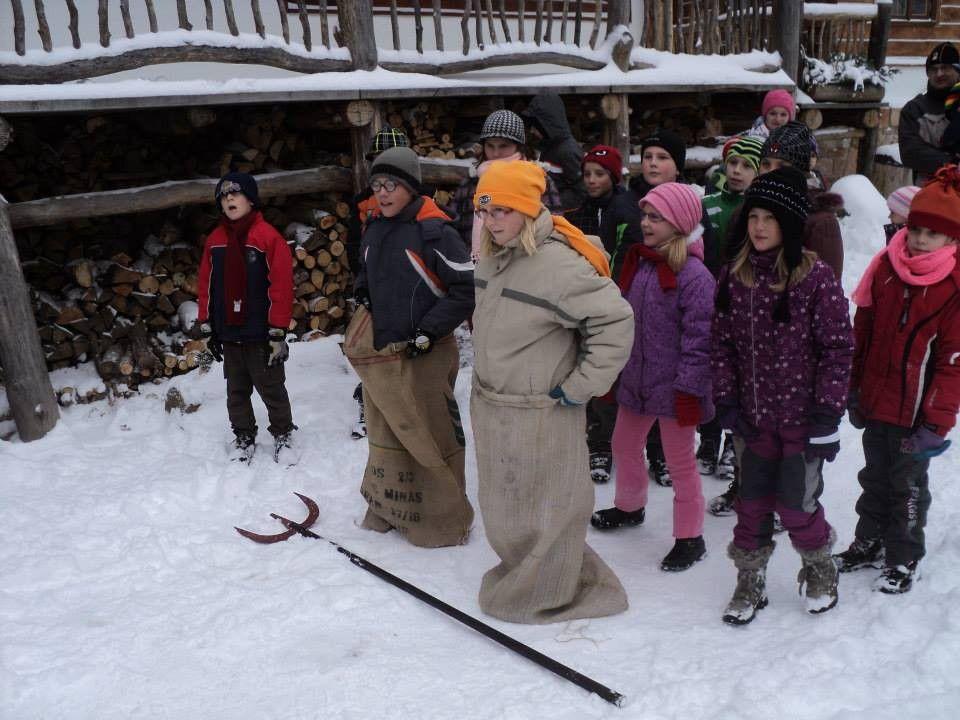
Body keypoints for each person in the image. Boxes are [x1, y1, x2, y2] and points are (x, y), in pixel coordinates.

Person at [470, 160, 634, 624]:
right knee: (507, 505)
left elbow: (615, 321)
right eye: (486, 210)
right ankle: (529, 573)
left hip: (540, 409)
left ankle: (552, 587)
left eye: (503, 210)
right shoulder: (497, 253)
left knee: (550, 504)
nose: (492, 220)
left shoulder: (557, 265)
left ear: (527, 209)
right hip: (497, 405)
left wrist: (582, 386)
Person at [713, 167, 853, 625]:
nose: (758, 227)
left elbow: (837, 348)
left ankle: (819, 567)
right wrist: (727, 400)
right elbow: (722, 344)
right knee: (750, 505)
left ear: (788, 225)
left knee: (796, 505)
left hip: (801, 419)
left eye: (769, 218)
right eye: (753, 216)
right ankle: (749, 579)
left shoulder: (816, 279)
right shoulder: (734, 278)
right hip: (753, 420)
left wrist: (827, 412)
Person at [343, 147, 475, 548]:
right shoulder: (374, 227)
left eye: (392, 186)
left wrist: (428, 332)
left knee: (432, 433)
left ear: (411, 187)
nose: (382, 193)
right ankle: (392, 506)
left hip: (426, 353)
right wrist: (363, 297)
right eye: (378, 185)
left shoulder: (435, 232)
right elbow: (366, 273)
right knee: (388, 431)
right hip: (385, 353)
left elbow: (464, 290)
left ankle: (442, 516)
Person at [838, 165, 960, 594]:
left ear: (952, 239)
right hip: (876, 403)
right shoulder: (886, 270)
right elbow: (863, 333)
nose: (921, 240)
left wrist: (936, 422)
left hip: (916, 417)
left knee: (906, 485)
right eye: (917, 229)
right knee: (874, 476)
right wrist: (852, 387)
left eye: (933, 233)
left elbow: (952, 363)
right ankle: (868, 541)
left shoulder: (953, 288)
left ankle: (904, 555)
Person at [590, 183, 715, 573]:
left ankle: (690, 537)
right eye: (645, 215)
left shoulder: (695, 276)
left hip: (676, 388)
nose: (645, 223)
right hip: (637, 381)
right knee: (624, 445)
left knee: (680, 463)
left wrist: (689, 389)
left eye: (655, 217)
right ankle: (630, 506)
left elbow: (701, 339)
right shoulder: (641, 263)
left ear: (678, 223)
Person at [598, 129, 715, 487]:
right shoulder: (624, 204)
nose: (652, 163)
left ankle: (664, 468)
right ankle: (626, 496)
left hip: (671, 355)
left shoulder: (694, 269)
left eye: (662, 157)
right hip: (635, 335)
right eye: (648, 156)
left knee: (674, 443)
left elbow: (699, 331)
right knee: (624, 429)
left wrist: (691, 387)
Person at [196, 172, 296, 464]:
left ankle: (283, 434)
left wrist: (277, 329)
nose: (229, 199)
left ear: (251, 199)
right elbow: (206, 285)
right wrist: (206, 325)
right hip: (229, 331)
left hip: (261, 332)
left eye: (235, 194)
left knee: (271, 387)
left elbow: (281, 286)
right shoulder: (215, 242)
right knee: (236, 391)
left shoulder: (268, 238)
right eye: (223, 196)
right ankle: (243, 435)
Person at [697, 135, 764, 490]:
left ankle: (729, 443)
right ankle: (707, 437)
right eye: (732, 163)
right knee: (709, 371)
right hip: (707, 300)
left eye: (746, 166)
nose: (736, 171)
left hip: (744, 300)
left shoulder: (760, 212)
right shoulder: (706, 204)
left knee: (737, 374)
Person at [347, 126, 411, 441]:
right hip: (374, 285)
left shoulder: (417, 202)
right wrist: (361, 280)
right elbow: (353, 244)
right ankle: (370, 404)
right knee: (374, 348)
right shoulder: (362, 203)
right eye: (376, 160)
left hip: (407, 287)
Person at [449, 109, 561, 259]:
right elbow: (455, 227)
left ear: (518, 146)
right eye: (490, 146)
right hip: (477, 266)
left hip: (527, 261)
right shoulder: (472, 183)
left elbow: (552, 224)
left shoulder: (537, 180)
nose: (495, 153)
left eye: (503, 146)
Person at [899, 42, 960, 184]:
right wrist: (951, 163)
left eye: (945, 68)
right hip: (931, 191)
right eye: (933, 69)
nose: (939, 74)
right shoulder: (915, 109)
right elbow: (911, 152)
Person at [523, 93, 587, 211]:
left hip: (568, 217)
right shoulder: (549, 146)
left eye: (536, 126)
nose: (532, 130)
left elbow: (581, 192)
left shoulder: (568, 151)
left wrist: (549, 202)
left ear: (546, 125)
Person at [565, 144, 625, 237]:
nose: (591, 180)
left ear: (613, 177)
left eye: (599, 174)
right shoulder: (574, 214)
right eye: (587, 174)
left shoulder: (628, 211)